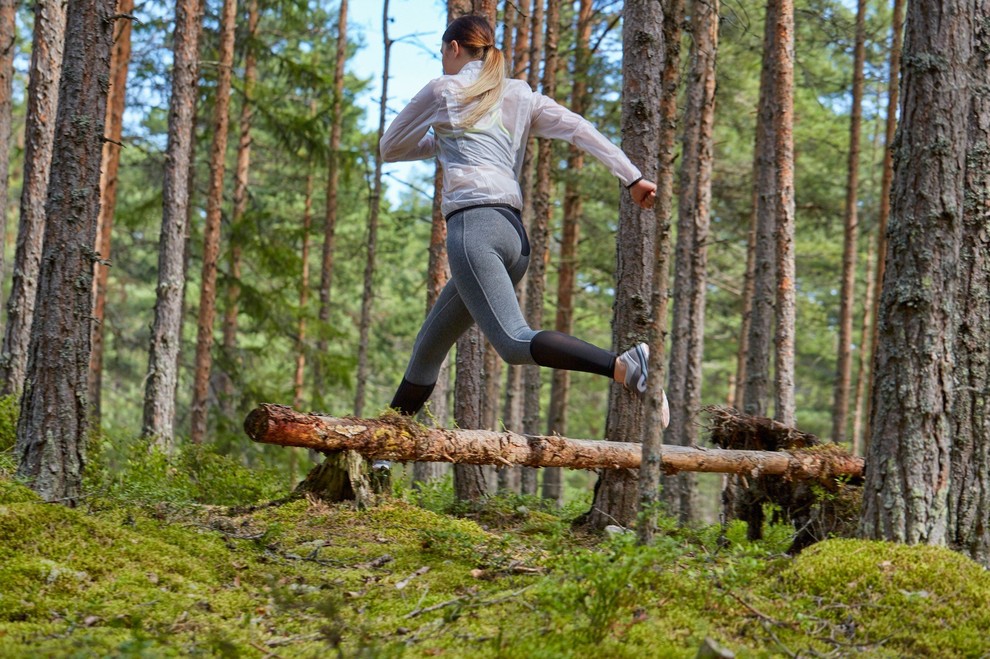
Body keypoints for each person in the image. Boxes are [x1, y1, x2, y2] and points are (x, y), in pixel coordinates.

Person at [380, 15, 669, 431]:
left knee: (514, 341)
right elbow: (578, 129)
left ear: (454, 48)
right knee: (428, 348)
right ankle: (381, 456)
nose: (443, 61)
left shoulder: (444, 88)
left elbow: (391, 147)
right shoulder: (520, 93)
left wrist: (439, 142)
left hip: (473, 230)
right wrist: (633, 177)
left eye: (443, 53)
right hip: (513, 237)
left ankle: (624, 366)